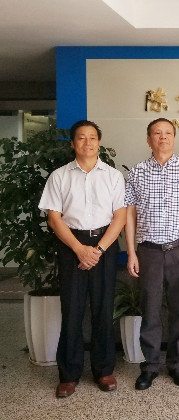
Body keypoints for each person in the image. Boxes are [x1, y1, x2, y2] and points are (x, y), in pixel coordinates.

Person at [39, 120, 126, 398]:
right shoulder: (59, 176)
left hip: (104, 244)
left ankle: (104, 370)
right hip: (70, 245)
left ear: (98, 142)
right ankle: (68, 374)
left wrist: (97, 250)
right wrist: (79, 249)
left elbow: (120, 217)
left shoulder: (113, 176)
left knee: (103, 309)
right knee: (72, 310)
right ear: (72, 143)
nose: (87, 142)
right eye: (81, 138)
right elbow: (54, 218)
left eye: (92, 138)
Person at [125, 118, 179, 390]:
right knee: (151, 309)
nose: (163, 137)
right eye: (157, 133)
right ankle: (151, 366)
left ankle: (176, 363)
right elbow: (129, 215)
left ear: (174, 138)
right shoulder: (137, 172)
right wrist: (131, 252)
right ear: (149, 139)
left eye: (168, 133)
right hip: (149, 251)